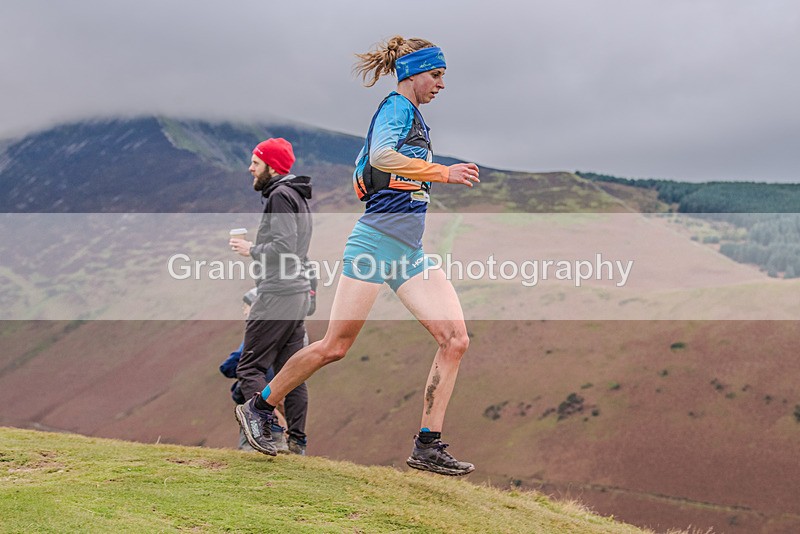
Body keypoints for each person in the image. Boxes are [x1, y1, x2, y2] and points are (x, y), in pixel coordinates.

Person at [236, 36, 480, 476]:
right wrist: (443, 172)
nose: (442, 84)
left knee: (455, 340)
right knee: (335, 346)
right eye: (437, 75)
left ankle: (427, 445)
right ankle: (258, 405)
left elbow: (378, 165)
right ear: (413, 73)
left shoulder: (413, 117)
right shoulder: (396, 108)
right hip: (373, 245)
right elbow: (383, 156)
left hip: (408, 251)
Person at [229, 138, 312, 456]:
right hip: (297, 292)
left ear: (271, 165)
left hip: (277, 292)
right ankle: (298, 441)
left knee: (249, 367)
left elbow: (284, 246)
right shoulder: (297, 195)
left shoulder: (279, 195)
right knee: (292, 370)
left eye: (255, 162)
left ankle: (268, 431)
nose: (250, 168)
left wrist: (251, 249)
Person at [219, 288, 294, 452]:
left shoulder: (257, 334)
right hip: (280, 389)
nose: (244, 310)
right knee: (275, 420)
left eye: (246, 306)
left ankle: (253, 450)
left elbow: (228, 366)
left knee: (255, 421)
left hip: (256, 391)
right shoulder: (283, 331)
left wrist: (241, 365)